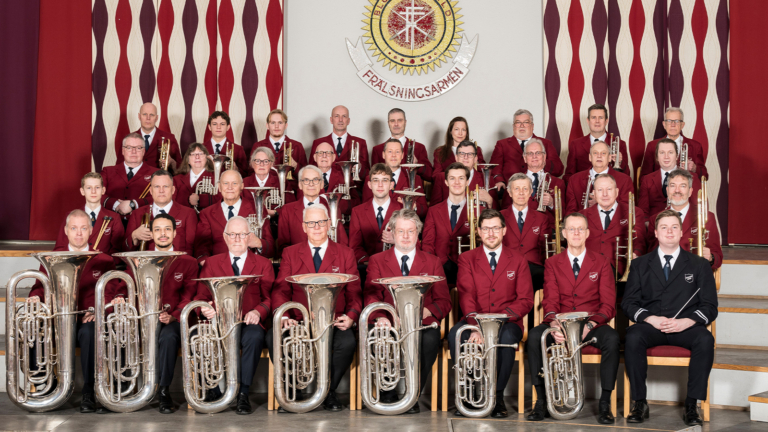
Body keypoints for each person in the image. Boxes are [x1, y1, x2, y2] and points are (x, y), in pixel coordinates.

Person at [622, 209, 718, 426]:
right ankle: (639, 402)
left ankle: (692, 405)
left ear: (681, 232)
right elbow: (628, 303)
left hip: (686, 326)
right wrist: (650, 319)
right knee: (633, 337)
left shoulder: (699, 265)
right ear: (655, 233)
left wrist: (688, 321)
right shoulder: (639, 264)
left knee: (705, 340)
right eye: (664, 227)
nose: (669, 231)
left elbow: (710, 306)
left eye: (674, 227)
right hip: (651, 326)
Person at [526, 212, 619, 424]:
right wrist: (555, 324)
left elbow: (608, 304)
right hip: (560, 324)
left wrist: (591, 325)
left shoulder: (603, 262)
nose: (576, 233)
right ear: (564, 233)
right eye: (571, 229)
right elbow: (550, 301)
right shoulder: (552, 263)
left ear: (587, 233)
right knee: (534, 337)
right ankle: (541, 400)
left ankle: (605, 403)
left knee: (612, 340)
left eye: (580, 229)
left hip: (592, 325)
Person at [268, 205, 362, 412]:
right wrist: (283, 315)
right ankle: (294, 393)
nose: (317, 227)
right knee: (274, 338)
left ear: (329, 224)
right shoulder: (290, 253)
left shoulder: (346, 253)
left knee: (346, 343)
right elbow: (281, 290)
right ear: (304, 227)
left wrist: (351, 316)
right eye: (311, 223)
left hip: (334, 320)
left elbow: (354, 293)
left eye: (321, 222)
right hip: (298, 320)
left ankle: (328, 391)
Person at [28, 210, 122, 413]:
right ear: (66, 231)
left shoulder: (103, 259)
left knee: (89, 332)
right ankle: (46, 385)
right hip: (58, 318)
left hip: (88, 318)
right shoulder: (52, 257)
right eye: (74, 228)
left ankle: (89, 390)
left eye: (83, 228)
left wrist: (100, 311)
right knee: (32, 327)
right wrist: (35, 297)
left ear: (90, 231)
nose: (78, 233)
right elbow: (39, 286)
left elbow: (112, 290)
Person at [364, 209, 451, 414]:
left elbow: (444, 300)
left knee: (430, 340)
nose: (405, 236)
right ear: (392, 233)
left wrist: (428, 312)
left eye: (410, 231)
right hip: (388, 322)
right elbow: (371, 295)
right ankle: (388, 392)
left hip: (421, 323)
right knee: (380, 336)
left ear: (417, 233)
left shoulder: (432, 261)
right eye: (400, 231)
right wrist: (381, 317)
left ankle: (413, 395)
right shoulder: (377, 260)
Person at [448, 209, 534, 418]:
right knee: (456, 335)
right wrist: (476, 326)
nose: (491, 233)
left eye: (496, 228)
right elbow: (466, 295)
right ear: (478, 232)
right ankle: (470, 394)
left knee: (504, 338)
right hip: (474, 319)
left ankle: (496, 396)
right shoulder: (467, 258)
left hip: (508, 322)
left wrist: (498, 320)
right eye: (486, 229)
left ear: (504, 230)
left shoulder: (519, 259)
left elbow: (526, 300)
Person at [115, 213, 198, 414]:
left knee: (168, 337)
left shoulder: (188, 261)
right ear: (151, 234)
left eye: (167, 229)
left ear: (175, 232)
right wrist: (120, 298)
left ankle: (163, 390)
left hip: (172, 318)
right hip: (142, 317)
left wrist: (175, 315)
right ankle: (124, 387)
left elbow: (190, 295)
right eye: (158, 229)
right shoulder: (137, 258)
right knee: (121, 329)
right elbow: (123, 285)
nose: (163, 234)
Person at [197, 215, 275, 415]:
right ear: (225, 237)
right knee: (201, 336)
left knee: (255, 336)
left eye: (242, 234)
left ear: (249, 237)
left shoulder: (263, 263)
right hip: (219, 323)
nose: (237, 238)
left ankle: (243, 393)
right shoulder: (211, 263)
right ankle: (213, 390)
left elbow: (269, 298)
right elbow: (201, 296)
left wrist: (258, 311)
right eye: (233, 234)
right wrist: (205, 307)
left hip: (248, 321)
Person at [646, 169, 722, 270]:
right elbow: (650, 255)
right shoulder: (655, 219)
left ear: (690, 191)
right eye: (673, 186)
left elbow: (718, 257)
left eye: (682, 186)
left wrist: (710, 257)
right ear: (667, 190)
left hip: (694, 275)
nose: (677, 190)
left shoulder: (707, 217)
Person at [194, 170, 274, 263]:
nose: (230, 187)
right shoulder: (207, 213)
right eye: (225, 183)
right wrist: (207, 264)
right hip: (218, 268)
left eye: (234, 183)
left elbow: (271, 247)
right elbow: (201, 246)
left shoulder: (257, 209)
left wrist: (259, 243)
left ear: (242, 186)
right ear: (219, 187)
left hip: (250, 266)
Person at [579, 174, 647, 277]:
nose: (605, 194)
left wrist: (635, 254)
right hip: (587, 272)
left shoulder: (634, 212)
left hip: (620, 270)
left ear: (617, 192)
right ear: (594, 194)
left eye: (609, 189)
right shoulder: (582, 215)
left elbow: (639, 239)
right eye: (600, 190)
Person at [422, 163, 476, 284]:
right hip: (440, 267)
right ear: (446, 182)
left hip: (469, 267)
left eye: (461, 178)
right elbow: (427, 243)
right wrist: (432, 266)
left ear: (467, 181)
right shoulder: (434, 211)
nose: (457, 182)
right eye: (452, 178)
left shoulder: (478, 211)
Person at [277, 165, 350, 250]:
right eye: (306, 180)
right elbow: (283, 246)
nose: (311, 184)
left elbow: (342, 242)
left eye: (315, 180)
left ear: (322, 184)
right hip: (297, 261)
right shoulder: (287, 210)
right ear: (300, 185)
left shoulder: (332, 207)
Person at [125, 170, 197, 254]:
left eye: (166, 186)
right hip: (147, 265)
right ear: (151, 191)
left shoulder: (188, 213)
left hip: (177, 263)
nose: (161, 191)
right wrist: (134, 236)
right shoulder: (137, 213)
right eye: (156, 187)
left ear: (173, 190)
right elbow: (124, 250)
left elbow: (191, 247)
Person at [500, 173, 550, 291]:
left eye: (525, 188)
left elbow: (544, 250)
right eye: (516, 188)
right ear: (509, 192)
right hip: (506, 266)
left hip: (534, 268)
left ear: (531, 192)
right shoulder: (499, 217)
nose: (521, 192)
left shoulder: (542, 218)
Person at [490, 109, 564, 189]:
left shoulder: (546, 143)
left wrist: (541, 161)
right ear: (513, 126)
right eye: (518, 122)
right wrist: (499, 181)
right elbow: (494, 168)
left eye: (526, 122)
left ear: (532, 126)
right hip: (510, 191)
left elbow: (558, 170)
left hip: (540, 190)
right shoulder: (502, 144)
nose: (522, 125)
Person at [54, 172, 124, 255]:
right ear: (82, 191)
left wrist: (101, 258)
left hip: (102, 266)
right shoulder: (70, 216)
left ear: (103, 190)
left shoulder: (114, 217)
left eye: (97, 187)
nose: (93, 191)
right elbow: (60, 247)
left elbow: (118, 251)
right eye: (89, 188)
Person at [348, 164, 402, 266]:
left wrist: (397, 240)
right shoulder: (357, 212)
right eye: (376, 180)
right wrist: (369, 262)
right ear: (369, 184)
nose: (380, 185)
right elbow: (355, 246)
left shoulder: (402, 210)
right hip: (367, 267)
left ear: (391, 185)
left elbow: (414, 245)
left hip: (395, 266)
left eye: (385, 180)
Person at [362, 138, 427, 219]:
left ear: (402, 155)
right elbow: (365, 208)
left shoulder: (414, 178)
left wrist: (414, 206)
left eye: (397, 152)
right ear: (383, 155)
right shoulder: (370, 179)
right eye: (390, 151)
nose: (393, 155)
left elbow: (424, 210)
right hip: (379, 225)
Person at [564, 140, 634, 215]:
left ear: (609, 158)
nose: (599, 156)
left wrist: (602, 203)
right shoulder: (574, 180)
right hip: (582, 225)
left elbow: (626, 210)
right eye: (595, 153)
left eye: (603, 153)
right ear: (590, 157)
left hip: (610, 225)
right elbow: (570, 211)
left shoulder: (625, 180)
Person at [499, 138, 566, 215]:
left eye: (538, 153)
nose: (534, 156)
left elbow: (564, 214)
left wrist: (552, 204)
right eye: (530, 153)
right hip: (521, 225)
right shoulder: (513, 181)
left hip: (548, 226)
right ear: (525, 158)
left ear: (544, 157)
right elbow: (505, 211)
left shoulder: (558, 183)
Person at [563, 104, 629, 181]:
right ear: (588, 121)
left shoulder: (619, 144)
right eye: (593, 117)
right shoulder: (576, 145)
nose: (597, 121)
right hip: (584, 189)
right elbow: (569, 175)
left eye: (601, 118)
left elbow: (626, 175)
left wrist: (620, 162)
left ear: (606, 121)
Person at [637, 139, 702, 217]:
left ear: (677, 156)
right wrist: (650, 226)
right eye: (662, 153)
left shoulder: (692, 177)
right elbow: (642, 212)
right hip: (655, 224)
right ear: (657, 157)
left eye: (670, 152)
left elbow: (699, 208)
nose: (666, 157)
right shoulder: (647, 180)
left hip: (682, 224)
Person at [640, 107, 707, 179]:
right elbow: (644, 177)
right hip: (660, 189)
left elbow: (704, 176)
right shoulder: (652, 146)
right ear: (664, 124)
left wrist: (694, 168)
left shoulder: (695, 146)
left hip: (686, 188)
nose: (673, 124)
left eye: (677, 121)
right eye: (669, 121)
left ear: (682, 125)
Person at [101, 133, 156, 221]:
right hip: (110, 223)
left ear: (143, 151)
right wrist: (116, 205)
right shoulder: (107, 171)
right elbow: (97, 194)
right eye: (129, 147)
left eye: (138, 148)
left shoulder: (156, 173)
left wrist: (134, 204)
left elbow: (162, 197)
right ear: (123, 151)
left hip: (141, 224)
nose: (133, 152)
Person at [308, 105, 371, 182]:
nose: (340, 120)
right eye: (336, 116)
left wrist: (359, 168)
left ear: (348, 121)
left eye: (344, 116)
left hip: (352, 190)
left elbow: (368, 174)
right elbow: (310, 170)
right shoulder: (318, 143)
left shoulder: (360, 142)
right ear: (331, 120)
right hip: (325, 189)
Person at [370, 108, 433, 182]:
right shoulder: (377, 150)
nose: (396, 124)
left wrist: (417, 165)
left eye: (400, 120)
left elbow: (430, 176)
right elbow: (373, 178)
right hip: (388, 192)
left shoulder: (419, 147)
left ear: (405, 122)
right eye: (392, 121)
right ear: (388, 123)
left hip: (411, 191)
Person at [298, 141, 359, 218]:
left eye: (328, 153)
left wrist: (338, 204)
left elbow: (356, 203)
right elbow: (301, 201)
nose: (324, 156)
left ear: (333, 157)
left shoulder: (344, 176)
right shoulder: (305, 176)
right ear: (314, 157)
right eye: (320, 153)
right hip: (313, 221)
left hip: (339, 221)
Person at [115, 102, 182, 171]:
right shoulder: (128, 139)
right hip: (135, 180)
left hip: (159, 180)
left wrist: (171, 162)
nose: (148, 118)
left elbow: (181, 168)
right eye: (144, 114)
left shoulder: (169, 138)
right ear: (139, 116)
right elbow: (118, 166)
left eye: (152, 115)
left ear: (156, 118)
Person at [430, 141, 497, 207]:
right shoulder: (441, 177)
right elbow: (434, 209)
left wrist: (490, 201)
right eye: (462, 153)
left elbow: (498, 212)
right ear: (456, 158)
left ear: (475, 159)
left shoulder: (487, 179)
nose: (465, 157)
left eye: (470, 154)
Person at [248, 109, 307, 184]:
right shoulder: (258, 146)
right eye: (273, 123)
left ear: (286, 125)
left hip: (290, 190)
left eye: (280, 122)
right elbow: (251, 172)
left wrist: (295, 165)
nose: (276, 126)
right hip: (266, 188)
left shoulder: (297, 146)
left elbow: (306, 174)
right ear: (267, 125)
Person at [243, 145, 297, 215]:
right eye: (258, 161)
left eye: (266, 161)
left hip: (275, 223)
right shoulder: (243, 183)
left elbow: (291, 207)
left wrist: (275, 212)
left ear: (271, 164)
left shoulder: (282, 182)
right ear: (252, 164)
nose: (261, 164)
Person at [172, 143, 220, 213]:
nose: (197, 157)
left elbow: (221, 200)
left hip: (206, 219)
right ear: (188, 160)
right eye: (193, 154)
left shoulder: (216, 178)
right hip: (182, 220)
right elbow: (172, 203)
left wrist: (201, 199)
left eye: (201, 154)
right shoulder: (176, 179)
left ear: (207, 158)